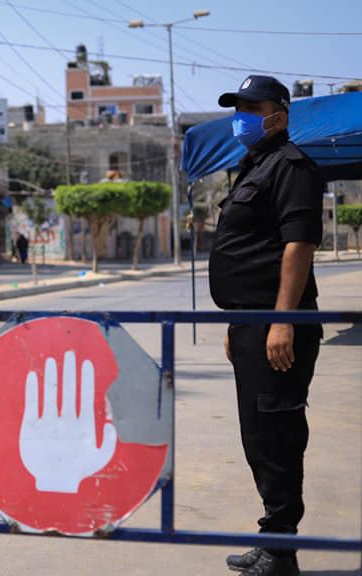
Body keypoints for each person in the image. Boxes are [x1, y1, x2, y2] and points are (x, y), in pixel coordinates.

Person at [209, 76, 324, 576]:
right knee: (258, 436)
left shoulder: (293, 167)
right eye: (238, 107)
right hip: (252, 324)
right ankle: (273, 541)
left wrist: (281, 320)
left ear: (278, 114)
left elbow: (298, 247)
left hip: (279, 326)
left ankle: (280, 554)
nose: (243, 116)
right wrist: (241, 322)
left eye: (252, 107)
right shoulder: (255, 164)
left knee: (276, 437)